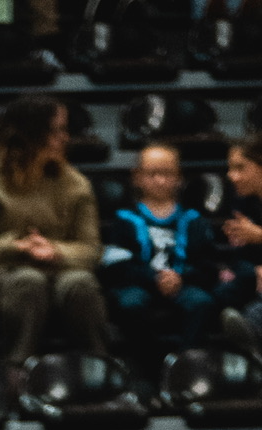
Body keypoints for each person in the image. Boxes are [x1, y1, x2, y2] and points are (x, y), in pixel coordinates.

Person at [0, 95, 107, 391]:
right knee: (28, 281)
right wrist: (15, 247)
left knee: (80, 284)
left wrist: (56, 251)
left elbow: (91, 249)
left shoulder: (75, 184)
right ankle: (17, 370)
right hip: (6, 272)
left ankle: (99, 369)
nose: (65, 138)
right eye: (57, 130)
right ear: (32, 134)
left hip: (60, 270)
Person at [101, 142, 225, 364]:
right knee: (129, 304)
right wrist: (154, 278)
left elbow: (207, 265)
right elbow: (117, 266)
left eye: (167, 173)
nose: (160, 180)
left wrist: (181, 277)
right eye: (152, 174)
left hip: (184, 283)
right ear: (137, 177)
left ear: (179, 177)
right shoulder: (124, 220)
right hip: (138, 284)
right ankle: (152, 363)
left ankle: (185, 362)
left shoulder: (194, 220)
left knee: (202, 302)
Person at [217, 133, 262, 354]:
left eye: (240, 168)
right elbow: (243, 254)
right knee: (224, 291)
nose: (231, 175)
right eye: (230, 168)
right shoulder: (243, 202)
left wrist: (259, 235)